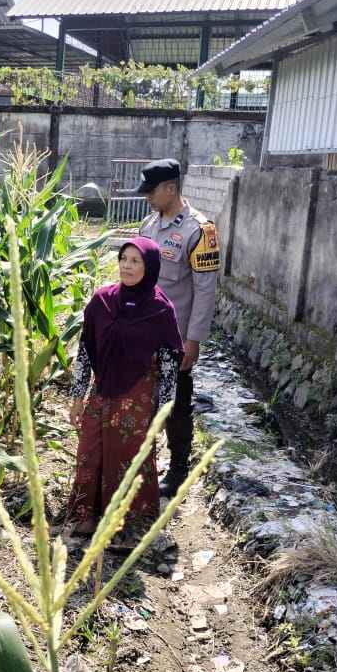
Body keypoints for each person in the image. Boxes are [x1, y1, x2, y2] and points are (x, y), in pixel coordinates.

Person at [67, 237, 184, 543]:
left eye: (136, 261)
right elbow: (85, 350)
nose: (127, 266)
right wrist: (77, 395)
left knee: (126, 458)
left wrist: (164, 410)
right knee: (89, 452)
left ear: (150, 267)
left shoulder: (160, 310)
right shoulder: (102, 301)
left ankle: (123, 523)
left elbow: (171, 361)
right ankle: (87, 514)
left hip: (137, 394)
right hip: (102, 389)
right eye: (124, 259)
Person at [135, 158, 220, 499]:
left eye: (151, 192)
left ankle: (179, 468)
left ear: (170, 188)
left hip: (174, 337)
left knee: (176, 405)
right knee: (141, 400)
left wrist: (193, 339)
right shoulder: (148, 225)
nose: (147, 199)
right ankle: (141, 464)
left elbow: (206, 289)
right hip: (142, 333)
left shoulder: (200, 231)